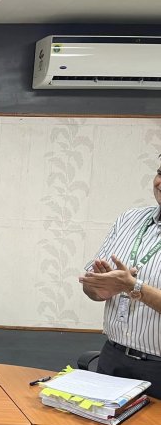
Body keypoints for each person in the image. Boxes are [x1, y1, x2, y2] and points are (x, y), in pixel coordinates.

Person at [80, 162, 161, 398]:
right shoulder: (129, 219)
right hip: (112, 357)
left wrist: (133, 286)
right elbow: (91, 287)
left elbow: (131, 284)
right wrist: (98, 288)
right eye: (160, 172)